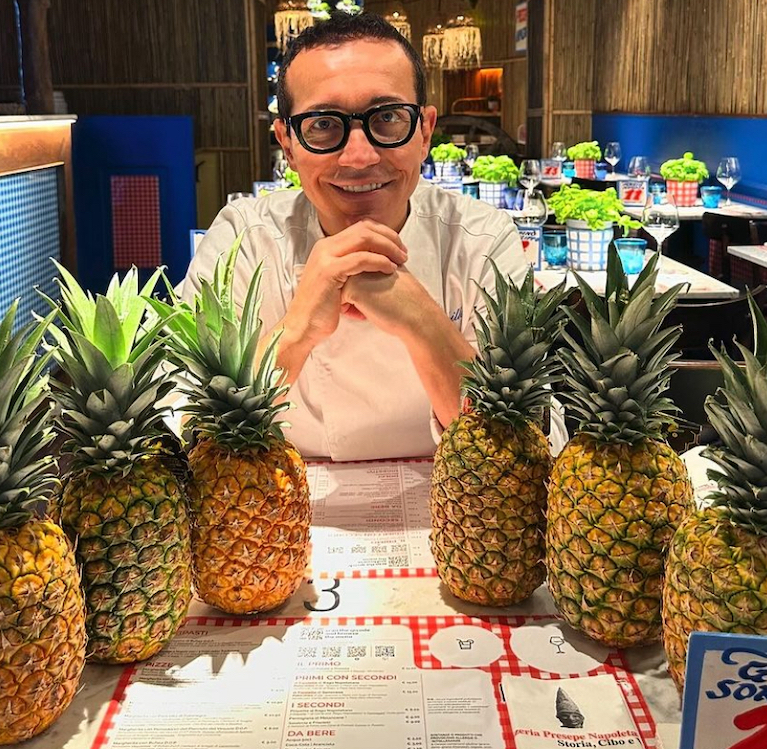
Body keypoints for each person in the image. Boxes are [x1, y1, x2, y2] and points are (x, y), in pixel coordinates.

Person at [182, 12, 565, 461]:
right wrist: (298, 330)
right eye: (323, 124)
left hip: (452, 510)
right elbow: (188, 426)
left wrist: (422, 321)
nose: (359, 157)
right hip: (273, 511)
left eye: (387, 118)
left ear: (424, 131)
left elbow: (536, 439)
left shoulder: (481, 240)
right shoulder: (242, 240)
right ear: (287, 144)